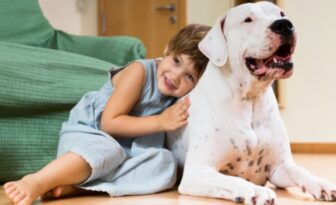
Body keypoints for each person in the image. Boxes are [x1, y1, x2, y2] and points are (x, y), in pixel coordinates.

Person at [4, 23, 211, 205]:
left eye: (189, 77)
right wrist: (160, 121)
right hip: (89, 137)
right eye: (176, 61)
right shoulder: (139, 72)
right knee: (109, 148)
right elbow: (109, 124)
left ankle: (81, 188)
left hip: (125, 153)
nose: (175, 76)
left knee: (165, 164)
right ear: (167, 50)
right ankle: (38, 180)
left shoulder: (178, 98)